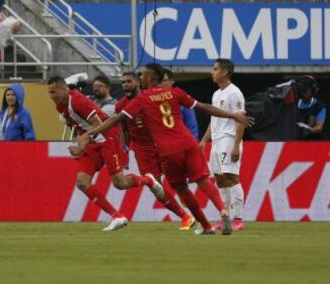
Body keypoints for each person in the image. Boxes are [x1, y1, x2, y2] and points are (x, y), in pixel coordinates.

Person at [81, 63, 253, 235]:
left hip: (168, 150)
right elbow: (204, 107)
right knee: (203, 181)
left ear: (150, 77)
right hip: (188, 143)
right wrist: (232, 115)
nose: (140, 78)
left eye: (142, 75)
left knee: (182, 189)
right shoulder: (174, 92)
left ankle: (206, 225)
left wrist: (91, 133)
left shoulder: (141, 99)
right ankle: (223, 210)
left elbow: (116, 120)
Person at [48, 76, 165, 231]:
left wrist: (83, 143)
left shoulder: (77, 101)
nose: (51, 96)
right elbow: (82, 125)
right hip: (92, 142)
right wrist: (80, 139)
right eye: (49, 93)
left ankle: (148, 180)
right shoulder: (60, 106)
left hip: (108, 138)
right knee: (82, 182)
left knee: (120, 183)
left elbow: (98, 124)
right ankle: (117, 216)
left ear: (64, 89)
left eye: (54, 92)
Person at [116, 72, 195, 230]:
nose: (125, 85)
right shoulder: (121, 105)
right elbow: (123, 130)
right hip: (142, 149)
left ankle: (187, 203)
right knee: (156, 186)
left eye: (128, 81)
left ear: (138, 82)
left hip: (161, 143)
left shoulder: (151, 97)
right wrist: (124, 149)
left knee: (178, 180)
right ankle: (185, 217)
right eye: (122, 82)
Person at [199, 58, 246, 231]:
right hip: (216, 141)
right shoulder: (216, 94)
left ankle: (238, 219)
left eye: (215, 69)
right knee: (219, 179)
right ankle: (225, 217)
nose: (212, 72)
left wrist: (236, 145)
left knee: (232, 177)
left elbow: (241, 120)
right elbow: (214, 120)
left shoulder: (234, 93)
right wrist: (204, 140)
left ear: (225, 72)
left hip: (228, 139)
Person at [161, 68, 199, 140]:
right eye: (160, 81)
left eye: (165, 80)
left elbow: (192, 124)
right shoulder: (152, 98)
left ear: (172, 81)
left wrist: (193, 142)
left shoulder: (181, 97)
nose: (162, 83)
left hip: (178, 141)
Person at [293, 75, 326, 140]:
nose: (303, 93)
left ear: (313, 90)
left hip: (312, 143)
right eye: (301, 91)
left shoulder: (319, 106)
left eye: (305, 91)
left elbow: (319, 128)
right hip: (294, 142)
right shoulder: (293, 104)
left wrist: (310, 130)